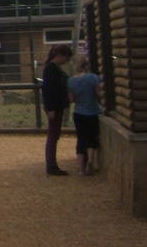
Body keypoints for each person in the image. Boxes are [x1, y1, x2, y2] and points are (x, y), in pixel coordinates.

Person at [40, 43, 73, 177]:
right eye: (66, 57)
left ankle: (52, 165)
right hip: (54, 106)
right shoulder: (51, 69)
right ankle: (51, 165)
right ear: (60, 55)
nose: (66, 61)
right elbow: (47, 90)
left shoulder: (54, 68)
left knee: (54, 135)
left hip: (57, 105)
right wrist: (50, 108)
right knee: (53, 136)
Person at [68, 55, 102, 175]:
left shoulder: (71, 80)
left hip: (78, 113)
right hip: (92, 112)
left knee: (81, 139)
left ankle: (80, 168)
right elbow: (98, 94)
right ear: (86, 65)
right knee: (92, 137)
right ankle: (91, 160)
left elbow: (71, 99)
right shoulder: (93, 78)